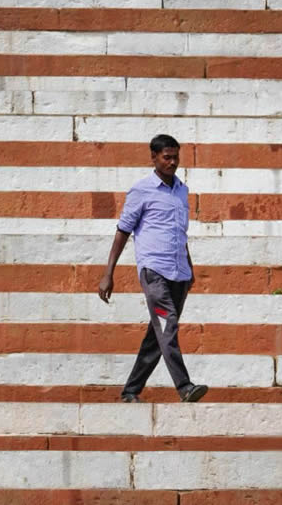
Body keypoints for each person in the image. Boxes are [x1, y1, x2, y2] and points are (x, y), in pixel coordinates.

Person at [97, 134, 208, 403]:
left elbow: (180, 232)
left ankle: (130, 391)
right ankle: (184, 386)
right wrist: (108, 273)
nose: (172, 162)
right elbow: (123, 230)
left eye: (175, 157)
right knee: (167, 326)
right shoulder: (142, 190)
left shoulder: (183, 190)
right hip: (154, 270)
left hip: (180, 273)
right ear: (154, 158)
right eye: (166, 157)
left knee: (156, 335)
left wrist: (190, 267)